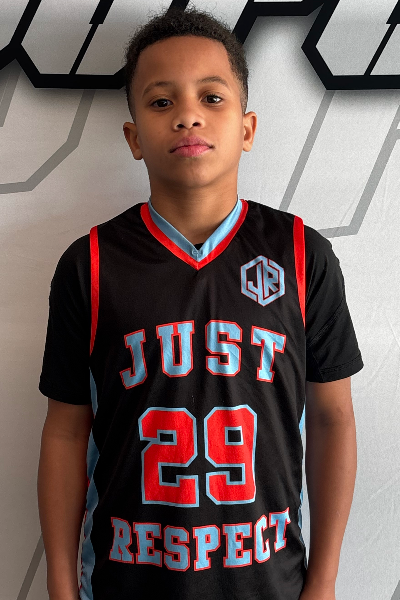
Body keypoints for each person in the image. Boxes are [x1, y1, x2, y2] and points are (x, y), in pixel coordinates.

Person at [37, 5, 363, 600]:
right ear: (134, 138)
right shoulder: (90, 264)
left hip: (270, 581)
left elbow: (332, 418)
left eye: (212, 98)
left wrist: (323, 580)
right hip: (127, 581)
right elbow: (64, 431)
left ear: (247, 128)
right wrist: (61, 584)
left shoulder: (301, 255)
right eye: (162, 102)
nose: (188, 115)